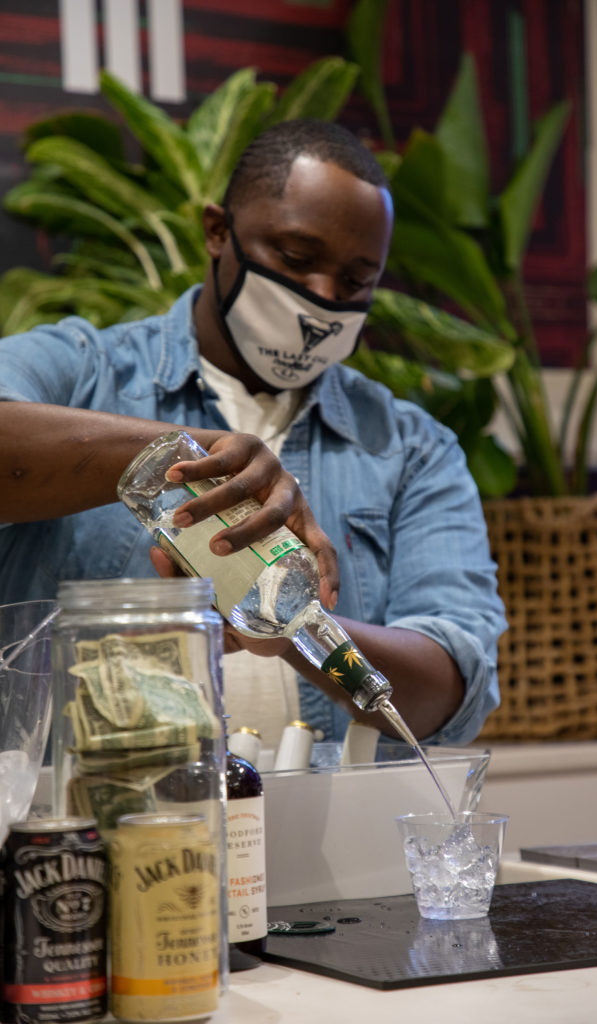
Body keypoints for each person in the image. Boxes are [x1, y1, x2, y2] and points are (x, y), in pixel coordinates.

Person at [0, 119, 506, 747]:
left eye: (355, 282)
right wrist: (177, 456)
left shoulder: (410, 449)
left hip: (323, 835)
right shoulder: (82, 371)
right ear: (218, 231)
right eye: (296, 259)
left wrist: (283, 614)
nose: (323, 299)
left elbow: (445, 694)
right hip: (99, 831)